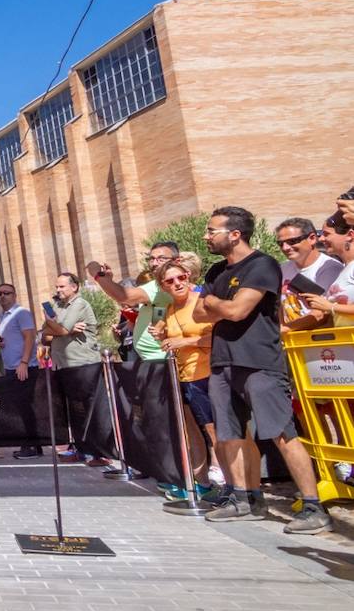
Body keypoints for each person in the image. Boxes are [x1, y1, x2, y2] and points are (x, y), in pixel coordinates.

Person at [194, 206, 331, 533]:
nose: (206, 236)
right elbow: (199, 314)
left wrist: (217, 305)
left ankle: (314, 506)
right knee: (229, 435)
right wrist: (217, 306)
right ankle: (246, 498)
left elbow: (238, 311)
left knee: (281, 432)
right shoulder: (215, 271)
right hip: (222, 361)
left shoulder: (262, 265)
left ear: (235, 234)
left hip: (259, 362)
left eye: (212, 231)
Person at [89, 242, 187, 488]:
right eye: (151, 258)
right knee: (159, 421)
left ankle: (180, 478)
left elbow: (124, 296)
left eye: (160, 258)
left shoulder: (161, 286)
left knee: (167, 424)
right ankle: (170, 472)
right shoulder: (158, 288)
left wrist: (98, 276)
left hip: (161, 362)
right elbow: (149, 312)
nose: (154, 262)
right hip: (152, 361)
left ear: (176, 260)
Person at [147, 255, 222, 496]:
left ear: (190, 276)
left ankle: (231, 484)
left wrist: (186, 341)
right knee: (193, 431)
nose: (177, 283)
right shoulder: (166, 310)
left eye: (182, 277)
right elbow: (170, 341)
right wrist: (161, 337)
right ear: (163, 286)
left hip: (210, 373)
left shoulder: (203, 302)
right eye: (170, 281)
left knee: (216, 431)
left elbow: (221, 338)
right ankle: (201, 481)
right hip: (184, 375)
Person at [41, 272, 112, 466]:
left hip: (83, 363)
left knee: (91, 409)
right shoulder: (57, 306)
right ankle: (82, 450)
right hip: (64, 364)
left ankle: (100, 453)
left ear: (75, 287)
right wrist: (61, 329)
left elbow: (60, 330)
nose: (58, 290)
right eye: (57, 287)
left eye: (62, 286)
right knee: (75, 411)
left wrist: (59, 329)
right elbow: (44, 336)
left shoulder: (80, 304)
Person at [0, 284, 44, 460]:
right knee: (20, 407)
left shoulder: (21, 313)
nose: (2, 296)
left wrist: (24, 362)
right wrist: (2, 344)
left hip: (24, 367)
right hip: (10, 367)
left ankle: (30, 445)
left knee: (24, 406)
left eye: (6, 293)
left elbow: (29, 337)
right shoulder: (2, 316)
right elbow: (12, 339)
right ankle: (33, 445)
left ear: (14, 295)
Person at [303, 212, 354, 327]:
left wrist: (329, 306)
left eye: (326, 234)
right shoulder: (345, 268)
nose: (321, 239)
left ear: (350, 235)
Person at [277, 217, 341, 294]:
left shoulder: (331, 269)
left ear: (312, 238)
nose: (285, 248)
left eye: (292, 241)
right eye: (280, 243)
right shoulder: (283, 269)